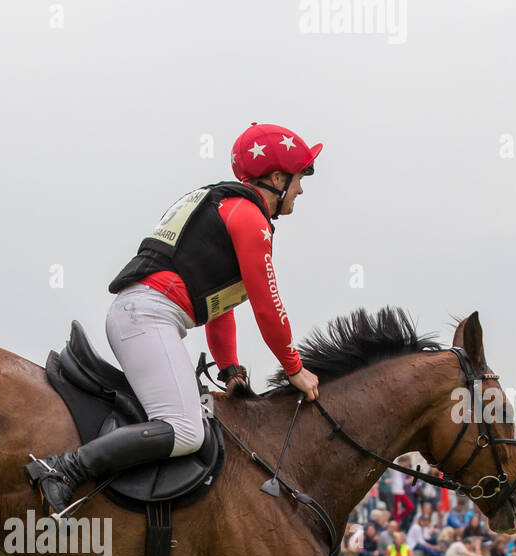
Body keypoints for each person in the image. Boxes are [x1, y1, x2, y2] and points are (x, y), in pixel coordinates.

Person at [27, 122, 323, 515]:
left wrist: (231, 368)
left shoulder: (227, 205)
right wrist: (294, 369)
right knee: (185, 430)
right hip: (148, 317)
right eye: (300, 177)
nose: (301, 189)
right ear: (276, 176)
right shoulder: (250, 219)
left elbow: (221, 309)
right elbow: (268, 306)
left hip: (143, 314)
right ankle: (62, 469)